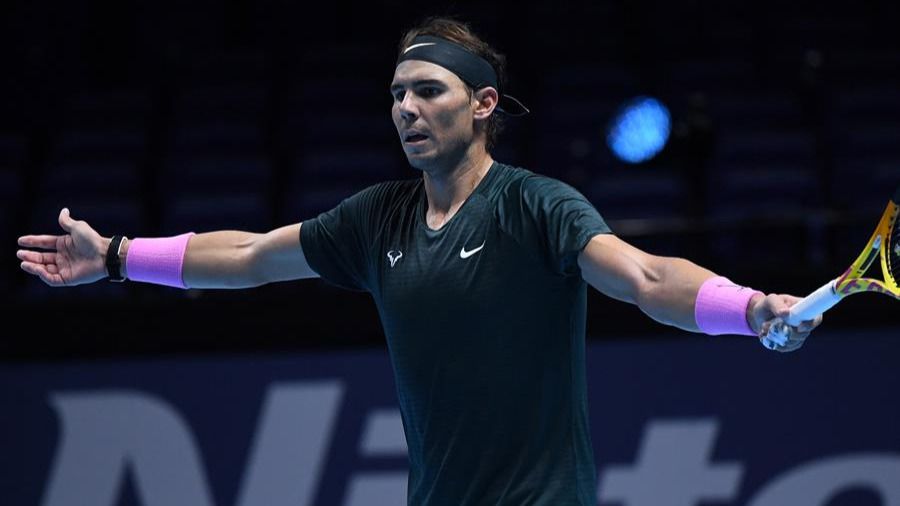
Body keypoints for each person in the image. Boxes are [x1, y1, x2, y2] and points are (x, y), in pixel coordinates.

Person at [16, 16, 821, 506]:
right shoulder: (378, 218)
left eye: (429, 90)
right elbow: (252, 255)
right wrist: (117, 256)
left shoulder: (536, 206)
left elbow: (645, 277)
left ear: (482, 103)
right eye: (397, 93)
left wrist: (748, 308)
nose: (406, 107)